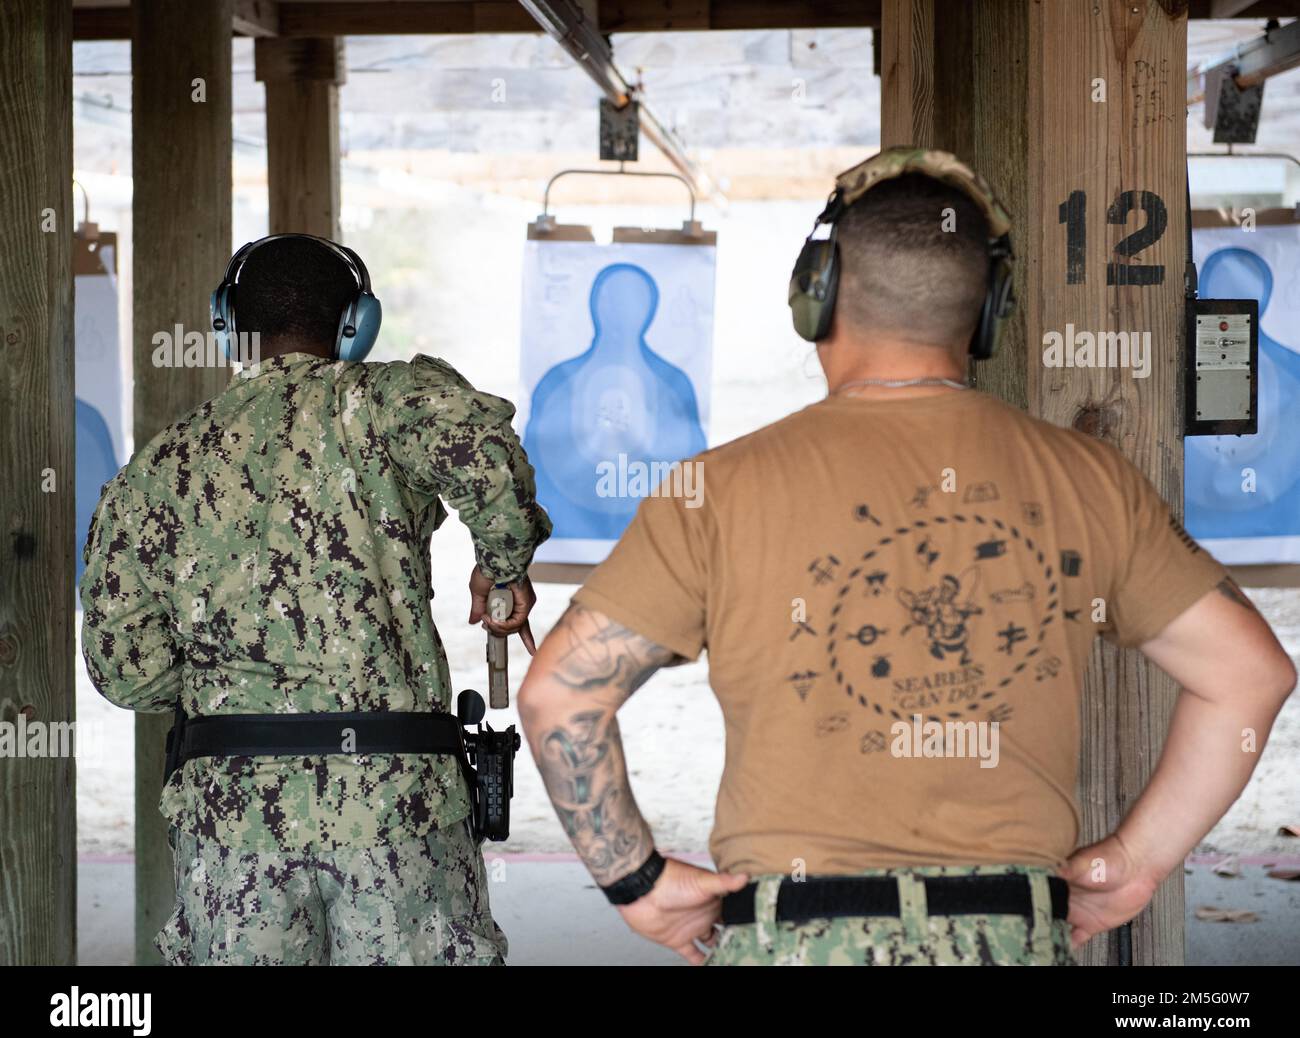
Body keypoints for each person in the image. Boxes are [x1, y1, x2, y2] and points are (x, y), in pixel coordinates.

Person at [515, 148, 1297, 966]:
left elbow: (559, 699)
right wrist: (1134, 864)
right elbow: (1251, 678)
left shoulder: (717, 489)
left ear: (815, 297)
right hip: (1012, 932)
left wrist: (636, 881)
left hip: (791, 933)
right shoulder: (1091, 479)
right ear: (988, 311)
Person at [80, 234, 551, 965]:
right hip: (397, 808)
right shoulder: (384, 405)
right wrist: (502, 565)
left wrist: (232, 683)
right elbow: (478, 445)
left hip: (232, 825)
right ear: (356, 322)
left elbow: (126, 672)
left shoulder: (160, 465)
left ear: (227, 321)